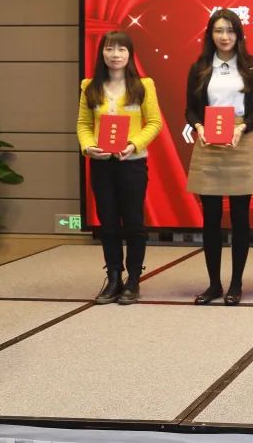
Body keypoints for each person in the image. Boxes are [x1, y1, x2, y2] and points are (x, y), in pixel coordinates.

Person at [185, 8, 253, 306]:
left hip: (239, 137)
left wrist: (243, 128)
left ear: (239, 34)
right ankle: (213, 284)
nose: (224, 36)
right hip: (208, 139)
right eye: (219, 30)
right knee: (210, 217)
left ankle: (236, 283)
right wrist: (198, 127)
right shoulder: (199, 67)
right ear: (210, 34)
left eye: (230, 30)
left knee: (240, 217)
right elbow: (190, 109)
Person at [76, 31, 163, 305]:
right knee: (108, 223)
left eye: (121, 49)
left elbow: (155, 123)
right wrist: (88, 147)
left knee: (134, 222)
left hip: (132, 164)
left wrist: (133, 144)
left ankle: (133, 279)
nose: (115, 55)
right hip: (101, 165)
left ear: (130, 54)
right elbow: (83, 125)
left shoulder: (143, 85)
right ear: (101, 52)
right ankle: (114, 277)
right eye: (110, 49)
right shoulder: (89, 86)